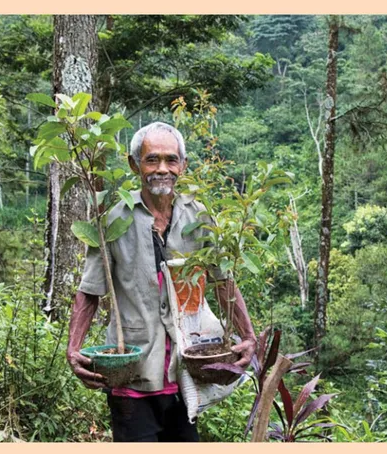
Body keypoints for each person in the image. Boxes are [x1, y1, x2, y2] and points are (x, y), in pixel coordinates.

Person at [65, 122, 257, 442]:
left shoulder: (199, 218)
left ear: (183, 165)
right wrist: (73, 350)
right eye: (152, 160)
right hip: (133, 375)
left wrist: (249, 336)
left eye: (171, 160)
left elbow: (224, 281)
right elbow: (89, 292)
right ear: (134, 164)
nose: (162, 169)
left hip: (187, 372)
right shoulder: (112, 222)